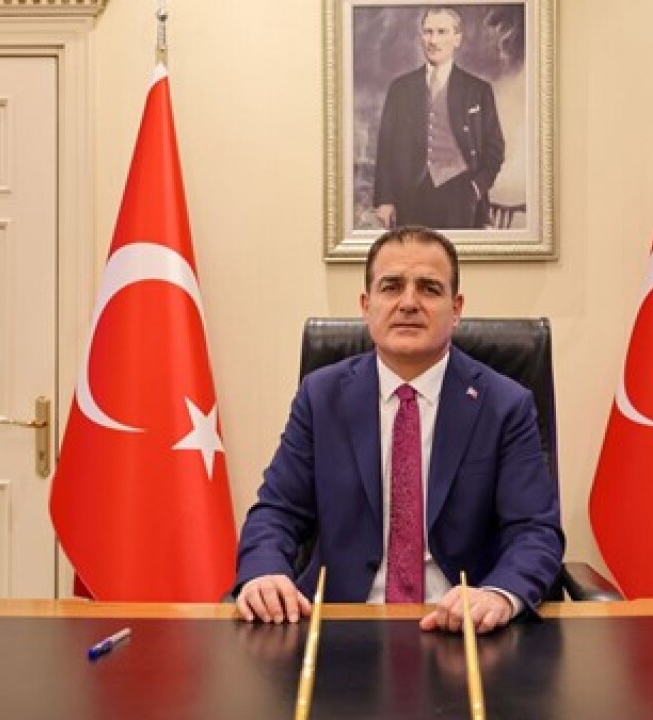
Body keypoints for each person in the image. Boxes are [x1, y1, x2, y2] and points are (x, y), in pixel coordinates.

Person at [235, 226, 563, 634]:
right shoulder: (321, 396)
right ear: (366, 305)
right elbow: (278, 511)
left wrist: (498, 594)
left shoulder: (504, 404)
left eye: (429, 288)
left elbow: (534, 530)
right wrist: (265, 573)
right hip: (340, 627)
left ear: (456, 308)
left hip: (461, 627)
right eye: (391, 287)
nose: (408, 303)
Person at [372, 6, 505, 230]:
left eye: (442, 32)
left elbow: (495, 149)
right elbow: (386, 149)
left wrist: (475, 188)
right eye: (428, 32)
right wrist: (385, 200)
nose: (433, 40)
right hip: (410, 196)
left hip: (460, 196)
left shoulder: (478, 90)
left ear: (457, 39)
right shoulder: (400, 88)